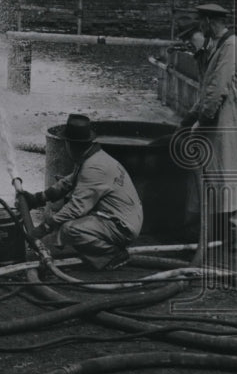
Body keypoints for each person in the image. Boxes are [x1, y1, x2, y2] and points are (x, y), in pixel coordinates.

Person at [179, 3, 237, 265]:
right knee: (215, 171)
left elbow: (216, 88)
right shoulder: (220, 44)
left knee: (228, 173)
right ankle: (210, 224)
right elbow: (208, 85)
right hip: (220, 115)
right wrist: (192, 118)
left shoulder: (231, 45)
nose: (201, 27)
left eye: (202, 21)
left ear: (209, 21)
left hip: (227, 117)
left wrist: (201, 119)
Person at [18, 114, 143, 271]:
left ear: (70, 145)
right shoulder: (92, 157)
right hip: (124, 217)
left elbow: (76, 208)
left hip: (122, 226)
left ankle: (112, 254)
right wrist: (38, 198)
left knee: (70, 229)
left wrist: (43, 228)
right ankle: (101, 244)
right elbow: (68, 182)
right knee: (67, 219)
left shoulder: (93, 168)